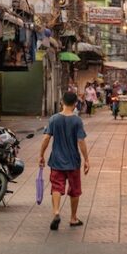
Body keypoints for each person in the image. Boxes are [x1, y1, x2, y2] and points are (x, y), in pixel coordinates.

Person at [38, 90, 90, 230]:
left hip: (56, 161)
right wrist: (86, 159)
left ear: (62, 102)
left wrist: (41, 155)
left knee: (56, 186)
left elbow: (46, 138)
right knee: (74, 190)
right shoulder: (77, 120)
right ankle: (73, 218)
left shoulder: (54, 119)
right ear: (75, 104)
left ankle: (56, 212)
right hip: (73, 161)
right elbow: (81, 141)